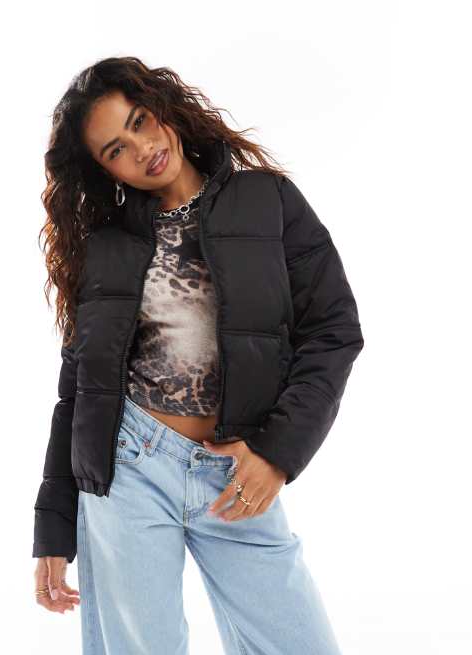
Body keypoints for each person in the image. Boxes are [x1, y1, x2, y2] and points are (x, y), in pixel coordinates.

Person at [32, 56, 364, 654]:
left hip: (234, 472)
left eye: (139, 121)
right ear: (103, 169)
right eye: (116, 149)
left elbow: (333, 330)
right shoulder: (107, 244)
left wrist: (278, 453)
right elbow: (78, 389)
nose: (142, 148)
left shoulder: (269, 200)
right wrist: (54, 527)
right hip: (129, 467)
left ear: (162, 108)